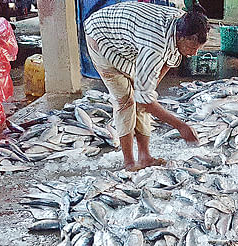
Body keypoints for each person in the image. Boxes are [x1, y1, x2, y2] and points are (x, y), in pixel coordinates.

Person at [84, 2, 205, 171]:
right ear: (181, 37)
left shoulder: (181, 23)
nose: (194, 53)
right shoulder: (154, 45)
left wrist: (148, 90)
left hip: (127, 41)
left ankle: (145, 157)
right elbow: (144, 100)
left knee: (141, 98)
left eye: (198, 49)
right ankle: (129, 162)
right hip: (102, 38)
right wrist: (180, 126)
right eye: (192, 48)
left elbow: (167, 63)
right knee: (126, 101)